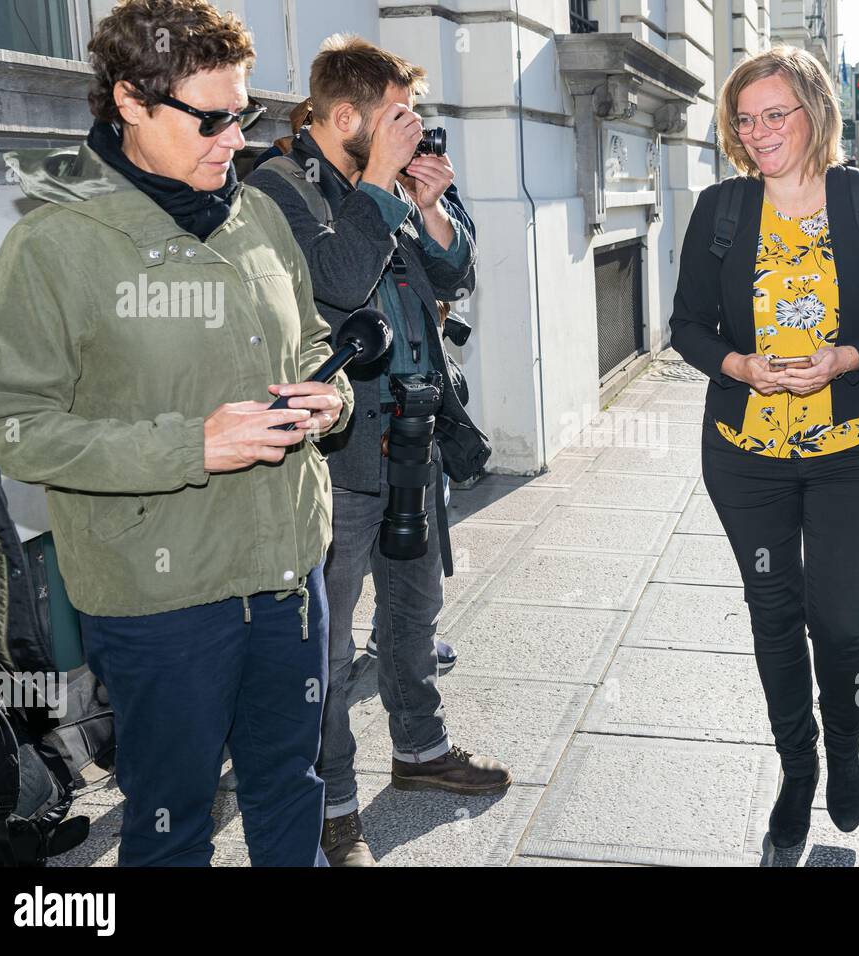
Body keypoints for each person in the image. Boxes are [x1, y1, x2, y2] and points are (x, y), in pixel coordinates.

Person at [0, 0, 352, 866]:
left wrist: (333, 402)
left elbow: (316, 344)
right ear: (131, 104)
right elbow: (17, 429)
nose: (235, 137)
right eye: (211, 117)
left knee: (290, 783)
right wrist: (189, 446)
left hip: (290, 569)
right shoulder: (53, 240)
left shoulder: (258, 212)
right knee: (171, 820)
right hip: (162, 599)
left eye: (244, 113)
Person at [246, 34, 509, 868]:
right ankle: (333, 802)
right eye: (401, 116)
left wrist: (430, 205)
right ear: (348, 115)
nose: (415, 131)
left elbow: (455, 271)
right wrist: (377, 189)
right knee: (325, 641)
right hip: (338, 451)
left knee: (412, 611)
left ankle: (421, 751)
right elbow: (335, 279)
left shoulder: (385, 181)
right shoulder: (275, 188)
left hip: (414, 435)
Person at [668, 46, 859, 855]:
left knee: (841, 618)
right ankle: (798, 767)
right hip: (745, 453)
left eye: (775, 113)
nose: (758, 132)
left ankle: (845, 745)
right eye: (745, 119)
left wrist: (844, 359)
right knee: (774, 615)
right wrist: (738, 365)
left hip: (849, 447)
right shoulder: (720, 208)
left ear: (815, 111)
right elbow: (685, 328)